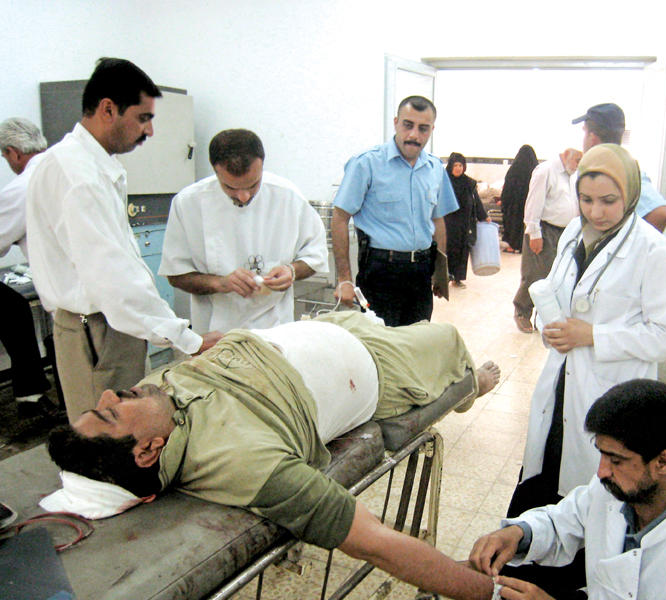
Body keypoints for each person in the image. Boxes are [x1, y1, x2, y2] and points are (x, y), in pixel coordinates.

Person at [48, 311, 504, 600]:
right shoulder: (242, 463)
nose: (110, 394)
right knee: (446, 338)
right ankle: (471, 386)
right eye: (110, 413)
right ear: (148, 452)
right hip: (379, 365)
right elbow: (374, 542)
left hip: (317, 326)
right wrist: (489, 592)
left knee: (383, 317)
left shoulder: (155, 402)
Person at [25, 58, 220, 423]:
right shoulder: (77, 176)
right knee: (106, 436)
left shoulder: (93, 167)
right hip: (96, 331)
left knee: (129, 432)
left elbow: (118, 264)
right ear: (108, 109)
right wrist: (187, 339)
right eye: (143, 118)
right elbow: (112, 276)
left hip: (111, 326)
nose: (149, 131)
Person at [508, 144, 666, 521]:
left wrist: (593, 336)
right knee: (545, 481)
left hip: (609, 392)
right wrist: (548, 326)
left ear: (631, 194)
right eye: (586, 200)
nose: (596, 212)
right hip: (561, 384)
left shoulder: (653, 250)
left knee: (594, 500)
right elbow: (557, 293)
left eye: (608, 201)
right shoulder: (574, 232)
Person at [469, 379, 666, 600]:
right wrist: (519, 534)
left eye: (616, 460)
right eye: (601, 454)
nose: (601, 472)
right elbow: (564, 521)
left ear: (663, 462)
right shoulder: (615, 489)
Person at [159, 129, 328, 333]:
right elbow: (176, 274)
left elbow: (315, 256)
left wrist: (291, 271)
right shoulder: (188, 203)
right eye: (231, 188)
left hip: (275, 328)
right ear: (215, 171)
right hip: (215, 332)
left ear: (262, 166)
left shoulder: (288, 197)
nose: (244, 196)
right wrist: (221, 283)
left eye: (253, 185)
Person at [331, 96, 458, 326]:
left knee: (417, 340)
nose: (414, 135)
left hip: (420, 273)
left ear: (431, 130)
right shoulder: (366, 164)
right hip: (380, 272)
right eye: (408, 125)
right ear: (396, 122)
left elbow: (438, 220)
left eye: (423, 128)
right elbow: (340, 218)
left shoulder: (435, 169)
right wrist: (344, 279)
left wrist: (440, 272)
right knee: (381, 342)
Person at [0, 118, 59, 419]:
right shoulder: (63, 169)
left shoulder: (20, 188)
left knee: (17, 311)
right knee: (16, 310)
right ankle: (31, 395)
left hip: (65, 288)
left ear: (13, 152)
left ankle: (32, 396)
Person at [513, 149, 582, 334]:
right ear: (566, 154)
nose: (579, 164)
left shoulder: (573, 175)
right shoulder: (545, 171)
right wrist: (534, 233)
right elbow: (533, 203)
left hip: (566, 231)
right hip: (544, 230)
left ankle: (544, 317)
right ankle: (522, 311)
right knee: (536, 274)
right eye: (577, 159)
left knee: (559, 276)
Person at [573, 103, 666, 232]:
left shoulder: (621, 169)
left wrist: (630, 242)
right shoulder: (593, 166)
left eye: (585, 132)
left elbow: (661, 212)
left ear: (592, 138)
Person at [444, 152, 489, 288]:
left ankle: (457, 278)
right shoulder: (444, 182)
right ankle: (444, 277)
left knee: (462, 251)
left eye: (461, 165)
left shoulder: (469, 183)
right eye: (455, 165)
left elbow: (476, 202)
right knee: (447, 250)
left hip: (464, 224)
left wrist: (484, 216)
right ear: (450, 166)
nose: (458, 168)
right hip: (447, 224)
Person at [500, 145, 538, 253]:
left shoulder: (513, 170)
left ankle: (513, 245)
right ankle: (525, 246)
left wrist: (504, 203)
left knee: (514, 224)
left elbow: (507, 190)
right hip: (530, 204)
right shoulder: (536, 171)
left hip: (514, 206)